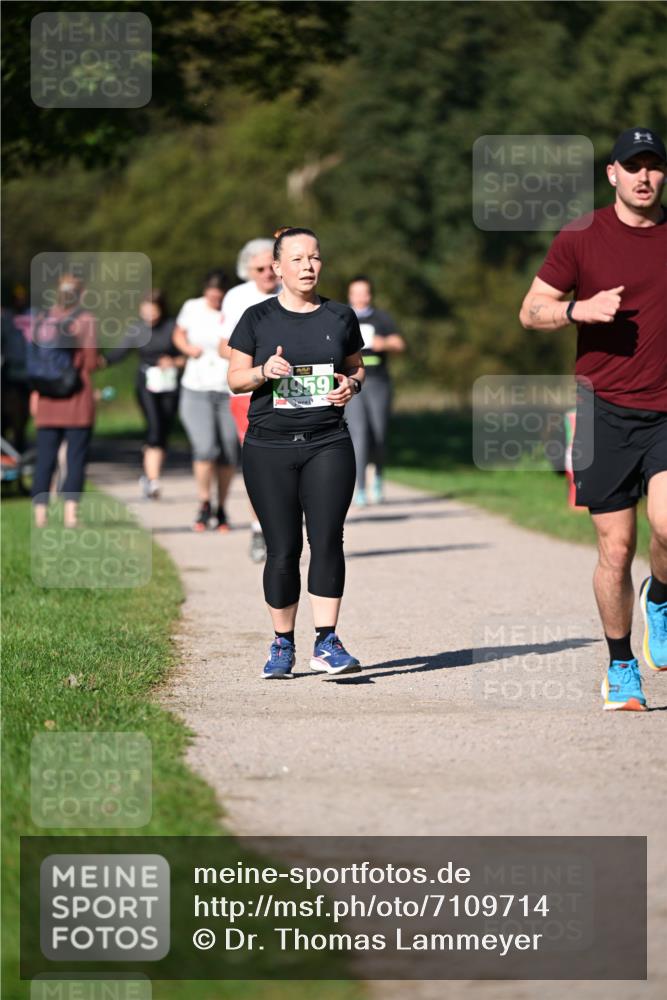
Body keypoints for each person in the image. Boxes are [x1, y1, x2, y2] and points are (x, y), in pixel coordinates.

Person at [519, 126, 667, 711]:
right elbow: (530, 311)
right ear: (612, 174)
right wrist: (579, 309)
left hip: (666, 410)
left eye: (654, 166)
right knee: (616, 548)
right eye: (633, 166)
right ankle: (620, 665)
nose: (644, 176)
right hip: (603, 410)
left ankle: (660, 597)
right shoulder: (582, 236)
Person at [228, 226, 366, 678]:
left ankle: (327, 642)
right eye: (298, 259)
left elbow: (355, 366)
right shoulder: (256, 318)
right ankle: (282, 645)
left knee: (327, 539)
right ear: (277, 267)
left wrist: (352, 385)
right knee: (283, 548)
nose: (308, 266)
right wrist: (263, 371)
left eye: (315, 258)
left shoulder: (340, 316)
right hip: (268, 445)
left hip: (328, 442)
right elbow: (234, 379)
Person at [219, 238, 281, 562]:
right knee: (260, 463)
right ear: (247, 270)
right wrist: (258, 363)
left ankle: (286, 525)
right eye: (259, 268)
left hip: (291, 390)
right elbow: (221, 346)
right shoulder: (237, 298)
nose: (268, 274)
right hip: (249, 392)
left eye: (272, 266)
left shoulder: (293, 293)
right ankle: (259, 529)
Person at [29, 274, 100, 529]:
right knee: (76, 458)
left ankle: (40, 516)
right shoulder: (85, 320)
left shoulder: (41, 319)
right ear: (80, 294)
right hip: (76, 398)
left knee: (45, 458)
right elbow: (91, 362)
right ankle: (71, 515)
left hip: (46, 398)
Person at [173, 270, 238, 532]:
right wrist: (188, 349)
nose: (214, 296)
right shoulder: (192, 307)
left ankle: (221, 507)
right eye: (210, 290)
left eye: (219, 291)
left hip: (228, 388)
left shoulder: (234, 310)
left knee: (229, 451)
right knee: (205, 447)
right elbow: (178, 334)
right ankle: (204, 503)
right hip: (196, 387)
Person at [105, 290, 184, 500]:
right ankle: (153, 479)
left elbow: (187, 355)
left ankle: (150, 474)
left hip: (170, 384)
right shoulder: (137, 330)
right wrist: (98, 362)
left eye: (153, 309)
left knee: (163, 430)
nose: (149, 314)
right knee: (154, 427)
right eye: (145, 309)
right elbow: (118, 353)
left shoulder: (172, 327)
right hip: (146, 384)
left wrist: (174, 362)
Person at [346, 276, 405, 505]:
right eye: (356, 293)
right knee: (358, 435)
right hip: (352, 382)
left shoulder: (382, 318)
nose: (360, 297)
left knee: (378, 435)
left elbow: (400, 344)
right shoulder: (343, 317)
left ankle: (378, 477)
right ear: (350, 295)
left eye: (364, 293)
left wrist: (385, 344)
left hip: (378, 382)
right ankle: (360, 489)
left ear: (369, 295)